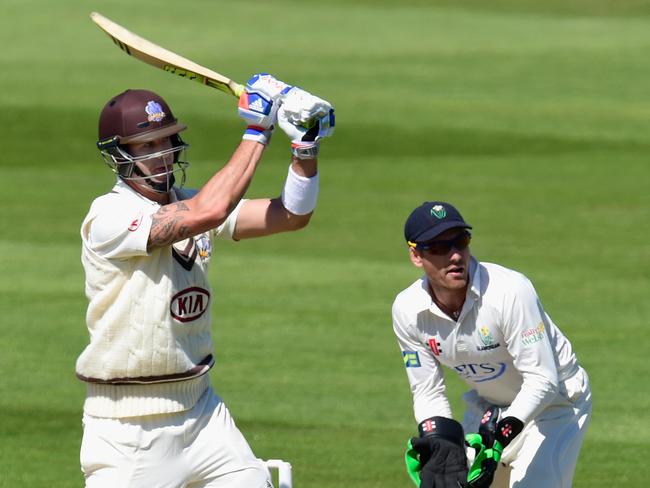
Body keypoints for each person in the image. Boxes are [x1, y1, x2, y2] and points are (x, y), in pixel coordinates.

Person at [76, 73, 334, 487]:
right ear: (119, 154)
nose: (161, 154)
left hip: (202, 413)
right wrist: (257, 131)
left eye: (165, 140)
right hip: (127, 429)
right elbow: (208, 213)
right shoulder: (107, 217)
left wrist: (305, 148)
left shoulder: (190, 202)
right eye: (147, 145)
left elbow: (291, 216)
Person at [393, 201, 591, 488]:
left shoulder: (509, 291)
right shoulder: (408, 309)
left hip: (556, 406)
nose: (455, 256)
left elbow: (542, 380)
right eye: (439, 247)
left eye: (461, 241)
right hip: (489, 410)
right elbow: (427, 390)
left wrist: (499, 436)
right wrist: (440, 440)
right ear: (415, 255)